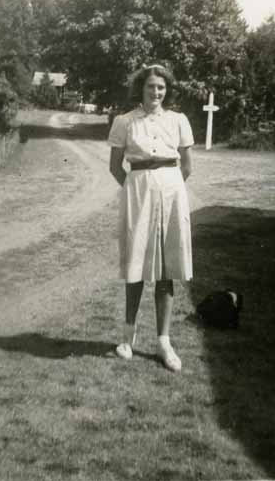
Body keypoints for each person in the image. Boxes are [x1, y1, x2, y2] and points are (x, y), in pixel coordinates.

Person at [108, 64, 194, 372]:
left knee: (166, 269)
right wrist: (138, 189)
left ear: (166, 90)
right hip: (138, 193)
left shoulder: (178, 120)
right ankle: (127, 339)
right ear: (141, 89)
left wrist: (167, 189)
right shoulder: (125, 122)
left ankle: (163, 342)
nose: (156, 92)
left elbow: (187, 166)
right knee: (136, 266)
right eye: (150, 86)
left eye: (161, 87)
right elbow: (115, 167)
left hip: (171, 192)